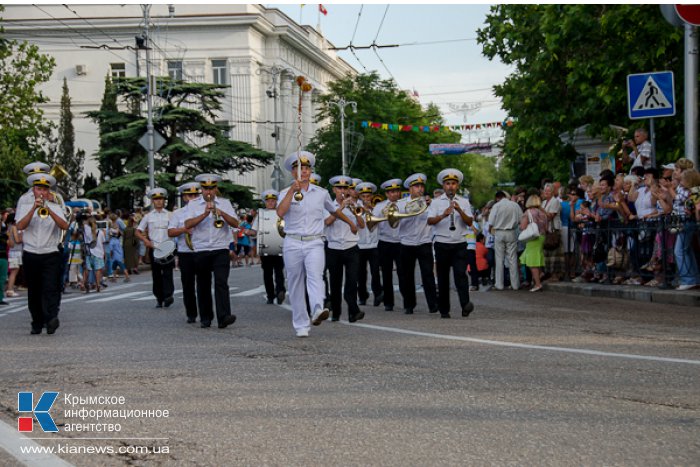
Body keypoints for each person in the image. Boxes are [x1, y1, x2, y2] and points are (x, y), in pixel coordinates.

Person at [276, 151, 357, 337]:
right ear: (292, 172)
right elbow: (280, 212)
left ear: (310, 172)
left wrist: (351, 222)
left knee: (316, 276)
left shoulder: (321, 193)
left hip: (314, 242)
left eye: (306, 169)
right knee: (296, 283)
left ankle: (318, 308)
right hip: (293, 241)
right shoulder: (284, 193)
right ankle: (301, 325)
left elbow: (334, 211)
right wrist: (291, 191)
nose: (303, 172)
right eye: (299, 169)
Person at [15, 173, 69, 334]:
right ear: (34, 190)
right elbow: (20, 225)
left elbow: (64, 226)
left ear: (48, 192)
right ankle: (36, 322)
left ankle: (51, 318)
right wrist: (34, 208)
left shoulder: (55, 206)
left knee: (51, 288)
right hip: (31, 253)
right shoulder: (25, 206)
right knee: (34, 290)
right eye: (39, 189)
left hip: (50, 252)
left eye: (45, 190)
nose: (42, 193)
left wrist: (49, 209)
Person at [184, 174, 239, 329]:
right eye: (206, 188)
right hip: (201, 248)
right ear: (201, 189)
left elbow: (236, 223)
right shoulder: (193, 204)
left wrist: (222, 213)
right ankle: (206, 317)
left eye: (212, 188)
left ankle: (224, 317)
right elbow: (188, 224)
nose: (209, 191)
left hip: (220, 247)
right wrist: (204, 214)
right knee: (203, 284)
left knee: (221, 282)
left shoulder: (225, 203)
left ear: (216, 188)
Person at [426, 169, 476, 318]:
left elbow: (469, 222)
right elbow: (430, 221)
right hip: (442, 243)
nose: (450, 186)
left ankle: (465, 304)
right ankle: (444, 309)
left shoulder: (464, 202)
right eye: (448, 184)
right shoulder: (435, 202)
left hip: (459, 243)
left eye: (453, 184)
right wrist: (443, 215)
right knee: (442, 278)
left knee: (461, 275)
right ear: (443, 186)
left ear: (457, 186)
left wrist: (460, 211)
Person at [325, 175, 365, 323]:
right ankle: (336, 312)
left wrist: (354, 210)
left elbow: (362, 225)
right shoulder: (328, 205)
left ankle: (353, 312)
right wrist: (341, 207)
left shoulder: (355, 204)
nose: (342, 191)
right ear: (334, 189)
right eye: (339, 188)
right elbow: (327, 222)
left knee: (352, 281)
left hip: (351, 247)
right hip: (334, 248)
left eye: (345, 188)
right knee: (335, 283)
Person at [396, 173, 437, 314]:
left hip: (424, 242)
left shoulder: (429, 203)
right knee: (407, 276)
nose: (420, 189)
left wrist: (430, 205)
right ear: (410, 189)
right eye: (416, 186)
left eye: (421, 186)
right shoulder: (401, 204)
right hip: (406, 243)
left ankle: (433, 304)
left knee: (428, 274)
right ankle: (409, 305)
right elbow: (394, 222)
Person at [136, 188, 175, 308]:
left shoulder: (170, 215)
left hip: (168, 248)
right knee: (156, 275)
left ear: (164, 201)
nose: (159, 202)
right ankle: (159, 297)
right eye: (156, 199)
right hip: (155, 248)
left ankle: (168, 296)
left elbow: (174, 229)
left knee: (168, 273)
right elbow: (138, 231)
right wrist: (146, 241)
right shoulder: (148, 216)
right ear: (153, 201)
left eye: (161, 199)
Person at [168, 182, 200, 323]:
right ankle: (191, 313)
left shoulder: (203, 211)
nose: (192, 198)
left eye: (195, 195)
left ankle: (205, 314)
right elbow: (170, 231)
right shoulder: (178, 213)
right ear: (184, 197)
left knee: (203, 283)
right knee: (188, 284)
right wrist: (184, 230)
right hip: (185, 252)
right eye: (189, 195)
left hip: (201, 251)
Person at [370, 178, 404, 311]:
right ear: (387, 194)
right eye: (391, 192)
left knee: (403, 273)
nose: (394, 194)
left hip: (401, 242)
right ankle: (389, 303)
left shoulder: (404, 205)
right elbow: (372, 224)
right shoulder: (380, 207)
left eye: (396, 191)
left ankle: (407, 301)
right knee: (386, 274)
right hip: (385, 242)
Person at [250, 190, 286, 305]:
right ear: (265, 202)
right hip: (265, 249)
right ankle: (270, 295)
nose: (270, 203)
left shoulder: (282, 213)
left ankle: (280, 291)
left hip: (279, 248)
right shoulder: (260, 215)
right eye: (268, 201)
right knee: (267, 273)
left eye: (273, 201)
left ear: (276, 202)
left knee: (279, 272)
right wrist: (248, 232)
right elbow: (254, 230)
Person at [355, 182, 382, 307]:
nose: (366, 198)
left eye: (368, 196)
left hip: (374, 244)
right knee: (361, 273)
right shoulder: (356, 207)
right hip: (360, 245)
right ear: (360, 196)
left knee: (375, 271)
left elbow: (380, 223)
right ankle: (362, 296)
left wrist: (371, 210)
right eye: (364, 196)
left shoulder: (377, 207)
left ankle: (378, 295)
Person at [488, 190, 522, 291]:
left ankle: (499, 284)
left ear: (497, 198)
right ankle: (515, 284)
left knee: (499, 259)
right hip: (511, 232)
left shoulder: (496, 206)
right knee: (512, 258)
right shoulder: (515, 205)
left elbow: (491, 222)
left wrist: (491, 230)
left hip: (499, 232)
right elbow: (521, 218)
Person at [519, 195, 548, 292]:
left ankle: (538, 284)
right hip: (541, 237)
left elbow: (523, 227)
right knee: (537, 258)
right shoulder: (543, 213)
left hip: (532, 238)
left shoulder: (528, 213)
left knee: (532, 262)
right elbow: (546, 227)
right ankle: (539, 276)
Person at [82, 215, 106, 292]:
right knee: (97, 269)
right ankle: (98, 285)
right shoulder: (101, 232)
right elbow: (102, 243)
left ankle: (84, 283)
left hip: (89, 252)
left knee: (87, 269)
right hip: (98, 253)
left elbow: (83, 225)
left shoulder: (86, 231)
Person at [6, 213, 23, 298]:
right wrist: (22, 236)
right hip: (16, 252)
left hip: (13, 251)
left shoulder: (9, 227)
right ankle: (10, 290)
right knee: (14, 272)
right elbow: (17, 239)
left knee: (13, 272)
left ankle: (10, 289)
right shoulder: (14, 227)